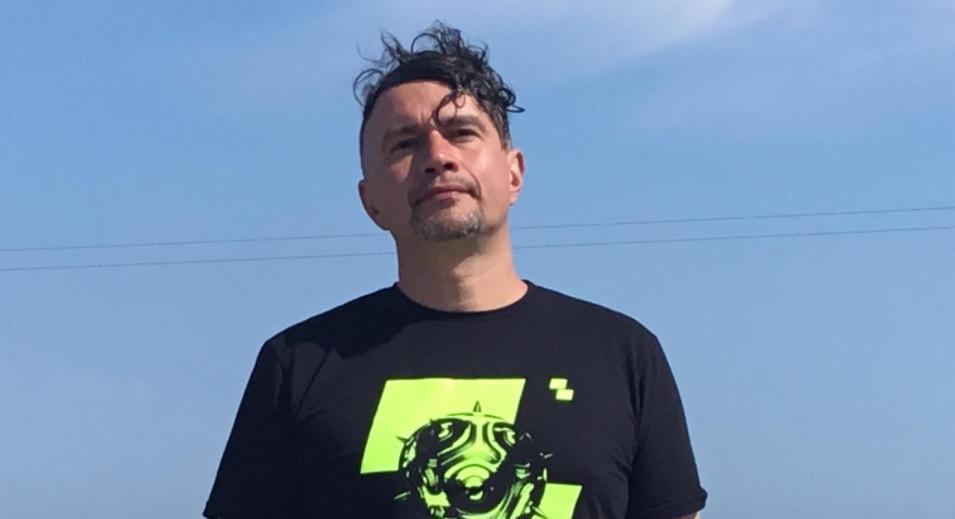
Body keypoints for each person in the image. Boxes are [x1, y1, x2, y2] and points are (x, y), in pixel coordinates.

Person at [204, 21, 707, 519]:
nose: (438, 157)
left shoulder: (621, 354)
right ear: (370, 200)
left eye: (462, 133)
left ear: (514, 173)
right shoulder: (299, 365)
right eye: (404, 144)